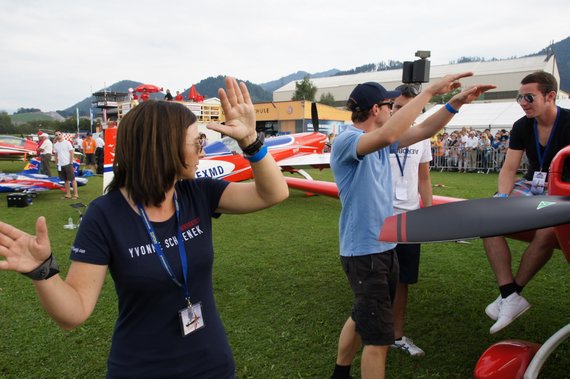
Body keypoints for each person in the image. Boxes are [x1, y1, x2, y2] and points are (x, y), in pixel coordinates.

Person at [0, 77, 288, 379]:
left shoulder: (196, 193)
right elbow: (75, 313)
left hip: (212, 366)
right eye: (197, 141)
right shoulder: (105, 214)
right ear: (164, 147)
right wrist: (42, 270)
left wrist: (251, 140)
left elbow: (273, 193)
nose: (203, 150)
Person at [329, 74, 494, 379]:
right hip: (363, 251)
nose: (393, 109)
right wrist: (429, 91)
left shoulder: (379, 141)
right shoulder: (348, 141)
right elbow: (391, 134)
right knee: (379, 339)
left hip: (383, 245)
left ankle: (340, 373)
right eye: (389, 105)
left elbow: (422, 130)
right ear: (375, 110)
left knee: (363, 313)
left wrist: (453, 104)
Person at [482, 71, 570, 334]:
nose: (522, 102)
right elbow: (509, 169)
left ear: (550, 96)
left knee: (546, 231)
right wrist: (501, 198)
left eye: (528, 97)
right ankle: (510, 294)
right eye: (519, 97)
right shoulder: (522, 125)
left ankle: (512, 294)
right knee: (487, 218)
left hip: (561, 191)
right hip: (533, 184)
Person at [388, 84, 432, 357]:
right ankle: (374, 333)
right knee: (377, 280)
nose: (400, 112)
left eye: (407, 107)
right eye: (396, 107)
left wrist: (429, 214)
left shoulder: (423, 138)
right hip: (381, 219)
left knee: (403, 280)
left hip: (410, 219)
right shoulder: (381, 136)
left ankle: (397, 335)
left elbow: (425, 179)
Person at [53, 130, 79, 199]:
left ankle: (76, 194)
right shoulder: (55, 145)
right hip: (60, 165)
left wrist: (70, 162)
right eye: (56, 135)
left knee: (72, 179)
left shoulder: (67, 143)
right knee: (65, 180)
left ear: (62, 134)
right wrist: (56, 163)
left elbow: (71, 152)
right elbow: (55, 154)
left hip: (68, 163)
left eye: (59, 134)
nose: (58, 136)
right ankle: (68, 194)